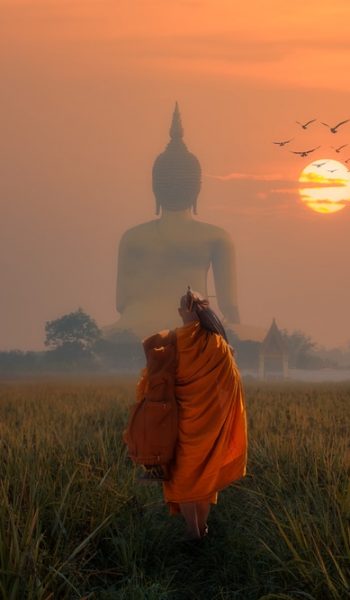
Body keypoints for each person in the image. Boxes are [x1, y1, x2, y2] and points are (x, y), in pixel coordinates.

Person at [136, 287, 248, 540]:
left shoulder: (169, 342)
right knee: (204, 480)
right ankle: (202, 529)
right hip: (209, 424)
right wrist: (220, 416)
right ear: (202, 310)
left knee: (184, 479)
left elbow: (153, 383)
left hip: (179, 423)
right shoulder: (217, 343)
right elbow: (232, 386)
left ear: (180, 312)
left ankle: (193, 530)